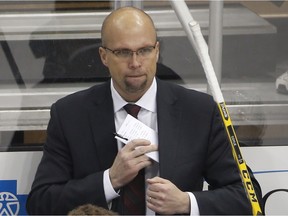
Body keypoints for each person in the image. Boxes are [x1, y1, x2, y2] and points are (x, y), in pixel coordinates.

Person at [26, 6, 263, 215]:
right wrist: (110, 180)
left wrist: (185, 202)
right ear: (104, 56)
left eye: (144, 50)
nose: (135, 62)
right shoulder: (70, 114)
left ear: (157, 51)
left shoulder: (199, 111)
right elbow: (40, 202)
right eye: (122, 52)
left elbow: (247, 196)